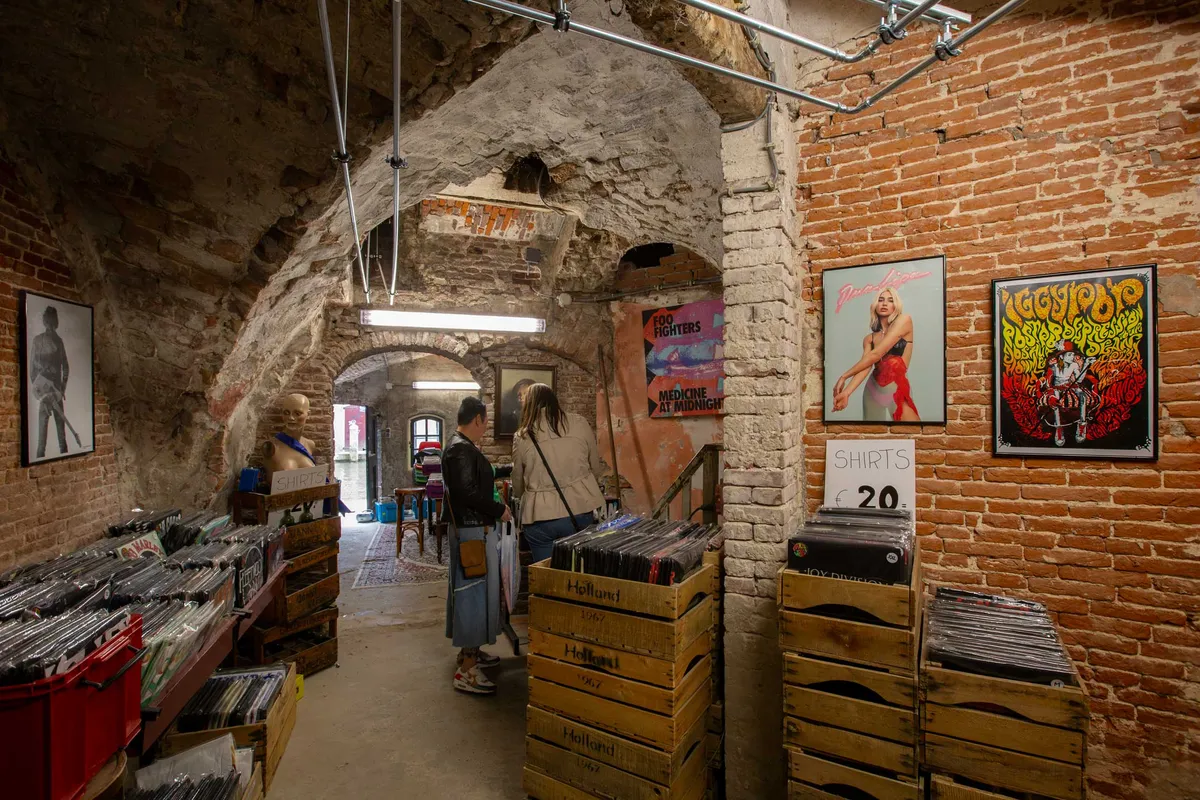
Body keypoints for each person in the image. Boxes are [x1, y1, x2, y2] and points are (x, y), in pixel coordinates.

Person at [442, 396, 513, 695]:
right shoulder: (460, 450)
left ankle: (470, 651)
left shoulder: (462, 447)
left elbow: (480, 477)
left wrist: (510, 468)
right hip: (472, 531)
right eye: (486, 422)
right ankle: (467, 671)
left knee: (475, 592)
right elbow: (467, 492)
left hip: (473, 529)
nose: (486, 427)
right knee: (473, 594)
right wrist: (499, 510)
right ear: (478, 420)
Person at [512, 384, 606, 563]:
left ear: (530, 405)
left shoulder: (522, 436)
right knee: (578, 570)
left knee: (546, 573)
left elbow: (517, 485)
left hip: (539, 516)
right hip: (579, 510)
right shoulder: (579, 423)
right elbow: (595, 467)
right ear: (554, 400)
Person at [832, 287, 920, 422]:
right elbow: (866, 366)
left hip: (897, 389)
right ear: (874, 305)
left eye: (890, 300)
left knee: (913, 430)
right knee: (872, 432)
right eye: (881, 300)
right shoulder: (869, 339)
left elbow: (877, 354)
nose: (884, 303)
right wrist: (846, 393)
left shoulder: (904, 320)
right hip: (872, 391)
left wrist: (844, 376)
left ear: (896, 305)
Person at [31, 305, 70, 459]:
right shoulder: (40, 340)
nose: (50, 327)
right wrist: (42, 392)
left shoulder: (58, 342)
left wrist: (60, 390)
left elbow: (65, 367)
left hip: (53, 393)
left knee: (60, 438)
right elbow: (32, 370)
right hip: (48, 393)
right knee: (46, 441)